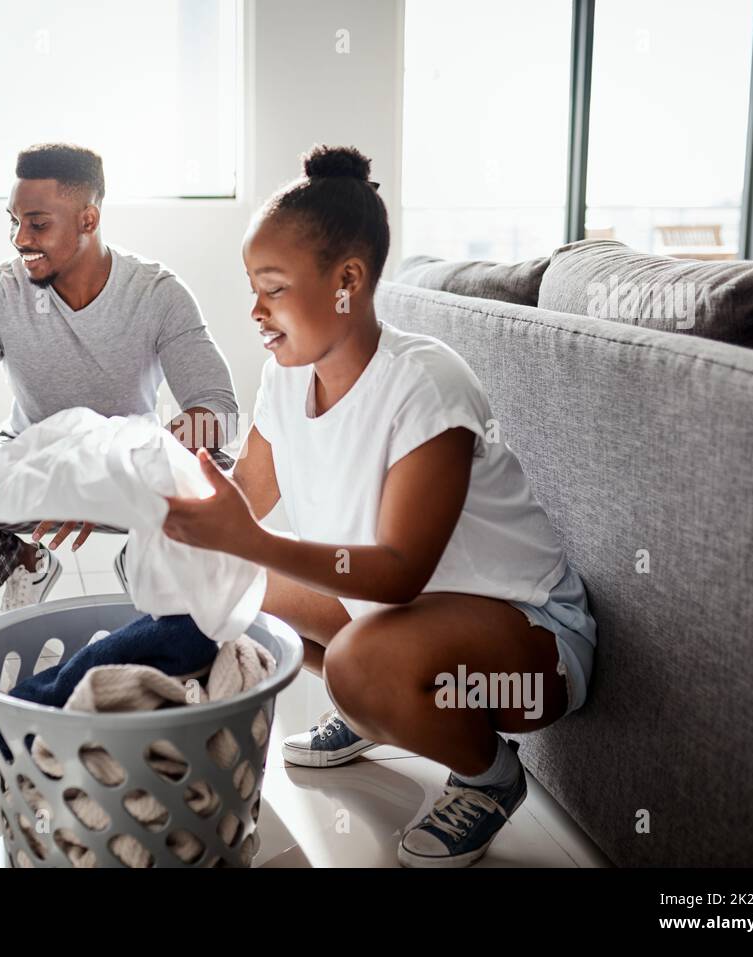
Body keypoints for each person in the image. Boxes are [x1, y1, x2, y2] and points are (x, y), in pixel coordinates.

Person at [159, 145, 597, 867]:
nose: (254, 310)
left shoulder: (425, 385)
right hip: (407, 621)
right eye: (251, 287)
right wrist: (136, 496)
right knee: (232, 584)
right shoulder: (283, 377)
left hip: (530, 642)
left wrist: (251, 541)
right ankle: (382, 708)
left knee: (356, 664)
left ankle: (489, 777)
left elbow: (398, 572)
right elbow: (244, 495)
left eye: (272, 288)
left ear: (347, 282)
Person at [0, 143, 237, 618]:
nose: (20, 238)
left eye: (37, 224)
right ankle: (24, 562)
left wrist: (100, 472)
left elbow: (216, 410)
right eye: (14, 222)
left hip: (131, 467)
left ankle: (147, 558)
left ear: (88, 220)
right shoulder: (0, 297)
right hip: (28, 459)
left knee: (224, 474)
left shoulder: (157, 294)